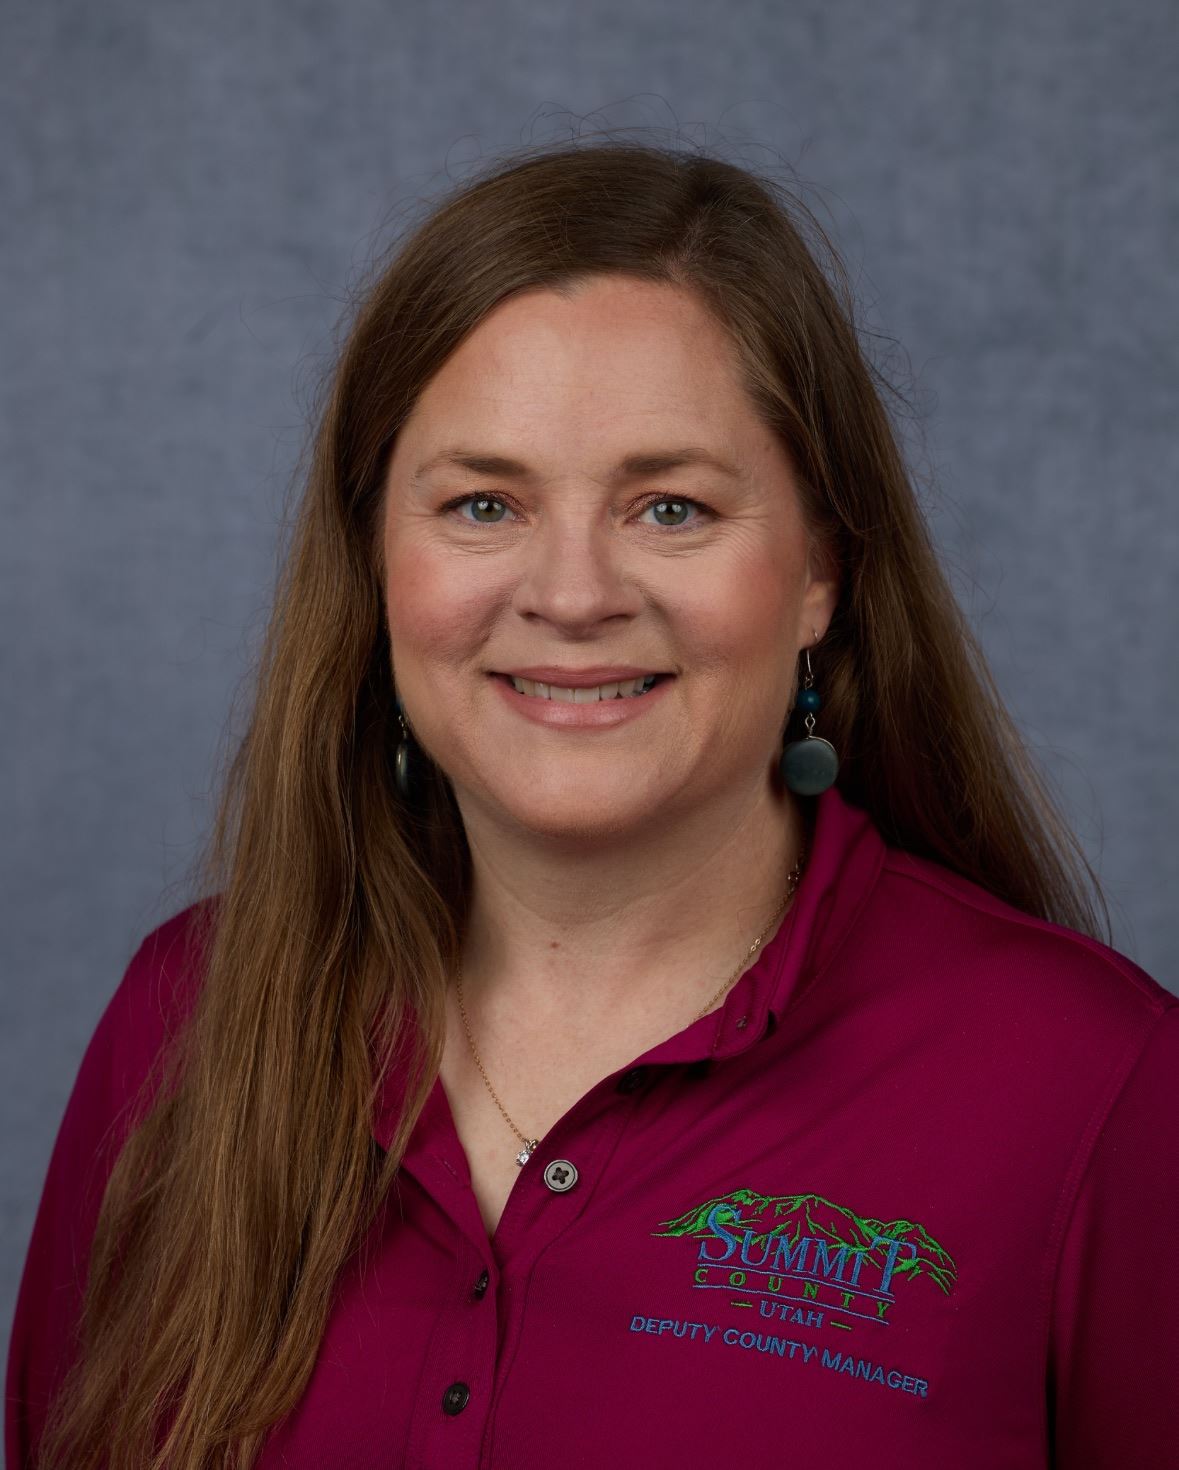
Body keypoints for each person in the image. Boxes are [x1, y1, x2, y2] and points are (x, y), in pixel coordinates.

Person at [6, 139, 1177, 1470]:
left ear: (820, 575)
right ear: (377, 562)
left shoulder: (1092, 1088)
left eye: (670, 506)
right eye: (484, 502)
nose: (571, 594)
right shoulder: (185, 1019)